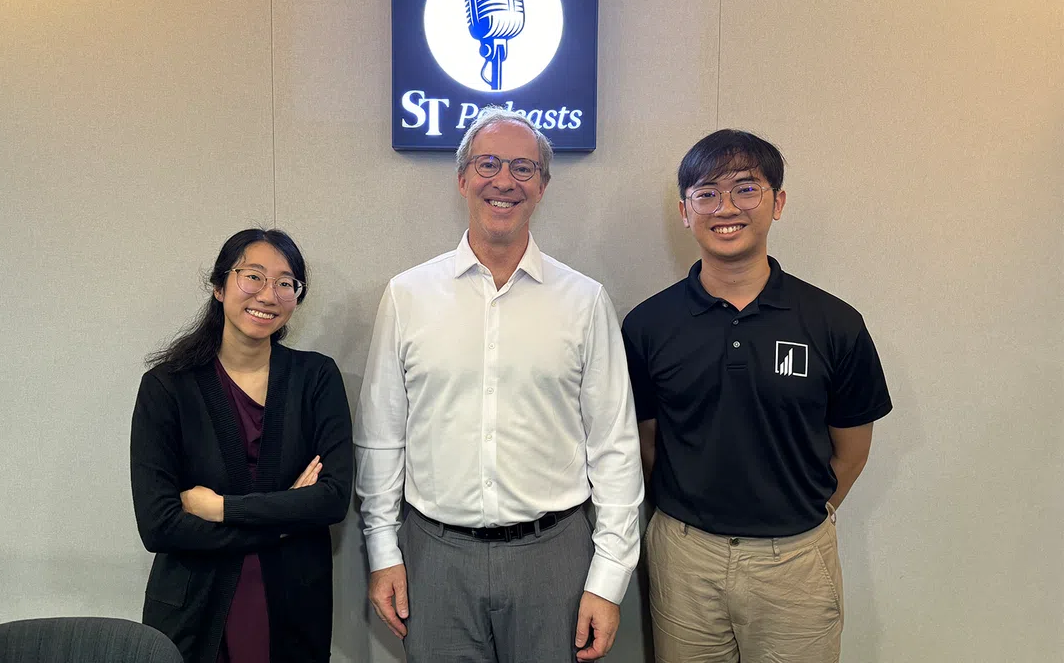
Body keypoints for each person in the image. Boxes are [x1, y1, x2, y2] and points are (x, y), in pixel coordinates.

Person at [354, 107, 644, 663]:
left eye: (523, 167)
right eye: (487, 164)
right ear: (463, 178)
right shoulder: (408, 295)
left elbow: (615, 448)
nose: (504, 181)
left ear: (543, 185)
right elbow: (382, 435)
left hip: (554, 556)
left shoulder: (584, 302)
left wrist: (608, 578)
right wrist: (383, 550)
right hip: (434, 558)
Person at [622, 130, 893, 662]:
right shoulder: (648, 324)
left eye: (747, 189)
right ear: (685, 210)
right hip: (684, 557)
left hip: (795, 559)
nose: (727, 208)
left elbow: (852, 452)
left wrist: (791, 518)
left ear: (778, 202)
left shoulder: (834, 323)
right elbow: (646, 442)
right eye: (707, 193)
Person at [130, 228, 353, 663]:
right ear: (219, 286)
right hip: (194, 608)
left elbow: (331, 500)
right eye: (253, 277)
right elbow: (159, 525)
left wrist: (221, 509)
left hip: (294, 607)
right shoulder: (167, 387)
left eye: (285, 283)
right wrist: (286, 517)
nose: (268, 295)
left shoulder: (317, 378)